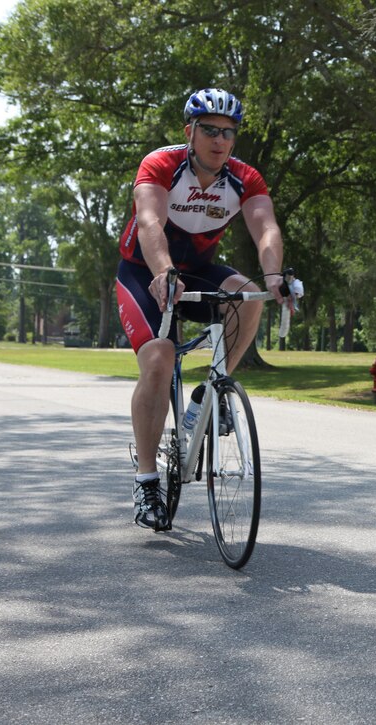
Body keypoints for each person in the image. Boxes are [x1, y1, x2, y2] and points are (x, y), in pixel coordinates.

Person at [116, 87, 287, 530]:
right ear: (189, 131)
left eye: (229, 132)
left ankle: (207, 393)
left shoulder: (245, 178)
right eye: (210, 130)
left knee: (247, 299)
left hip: (199, 270)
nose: (220, 139)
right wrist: (163, 271)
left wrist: (274, 277)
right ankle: (147, 478)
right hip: (144, 272)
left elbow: (265, 226)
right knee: (160, 356)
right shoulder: (161, 164)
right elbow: (151, 219)